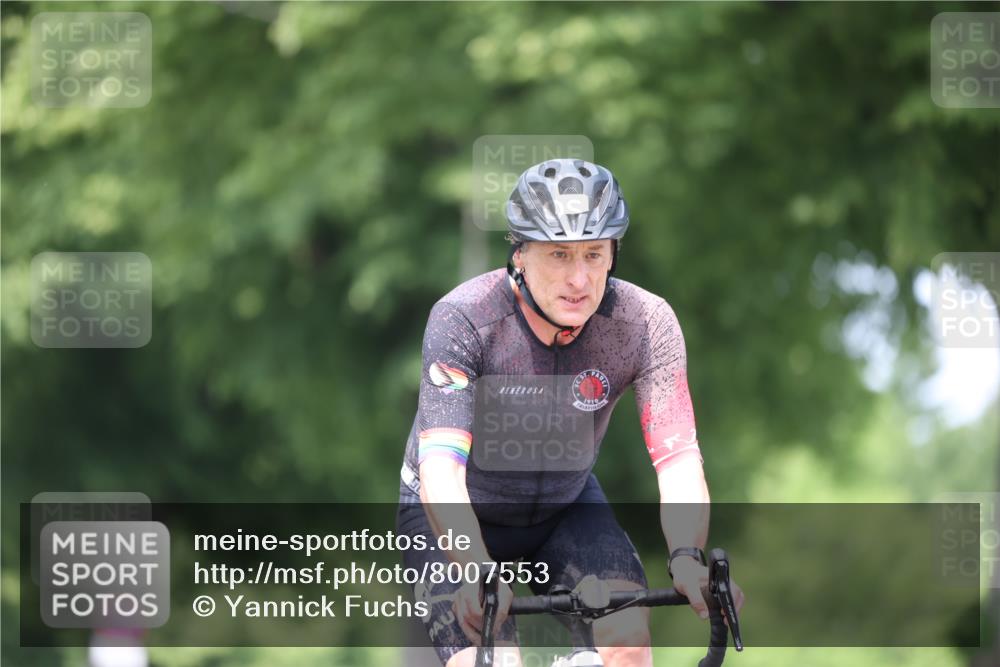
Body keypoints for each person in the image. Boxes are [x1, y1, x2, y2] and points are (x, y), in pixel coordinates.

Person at [396, 158, 744, 667]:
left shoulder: (645, 324)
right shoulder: (464, 318)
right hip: (454, 511)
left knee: (627, 642)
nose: (579, 278)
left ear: (613, 255)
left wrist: (687, 557)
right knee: (490, 661)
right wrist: (473, 567)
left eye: (594, 254)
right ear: (520, 253)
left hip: (565, 504)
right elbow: (441, 472)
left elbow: (678, 460)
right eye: (559, 254)